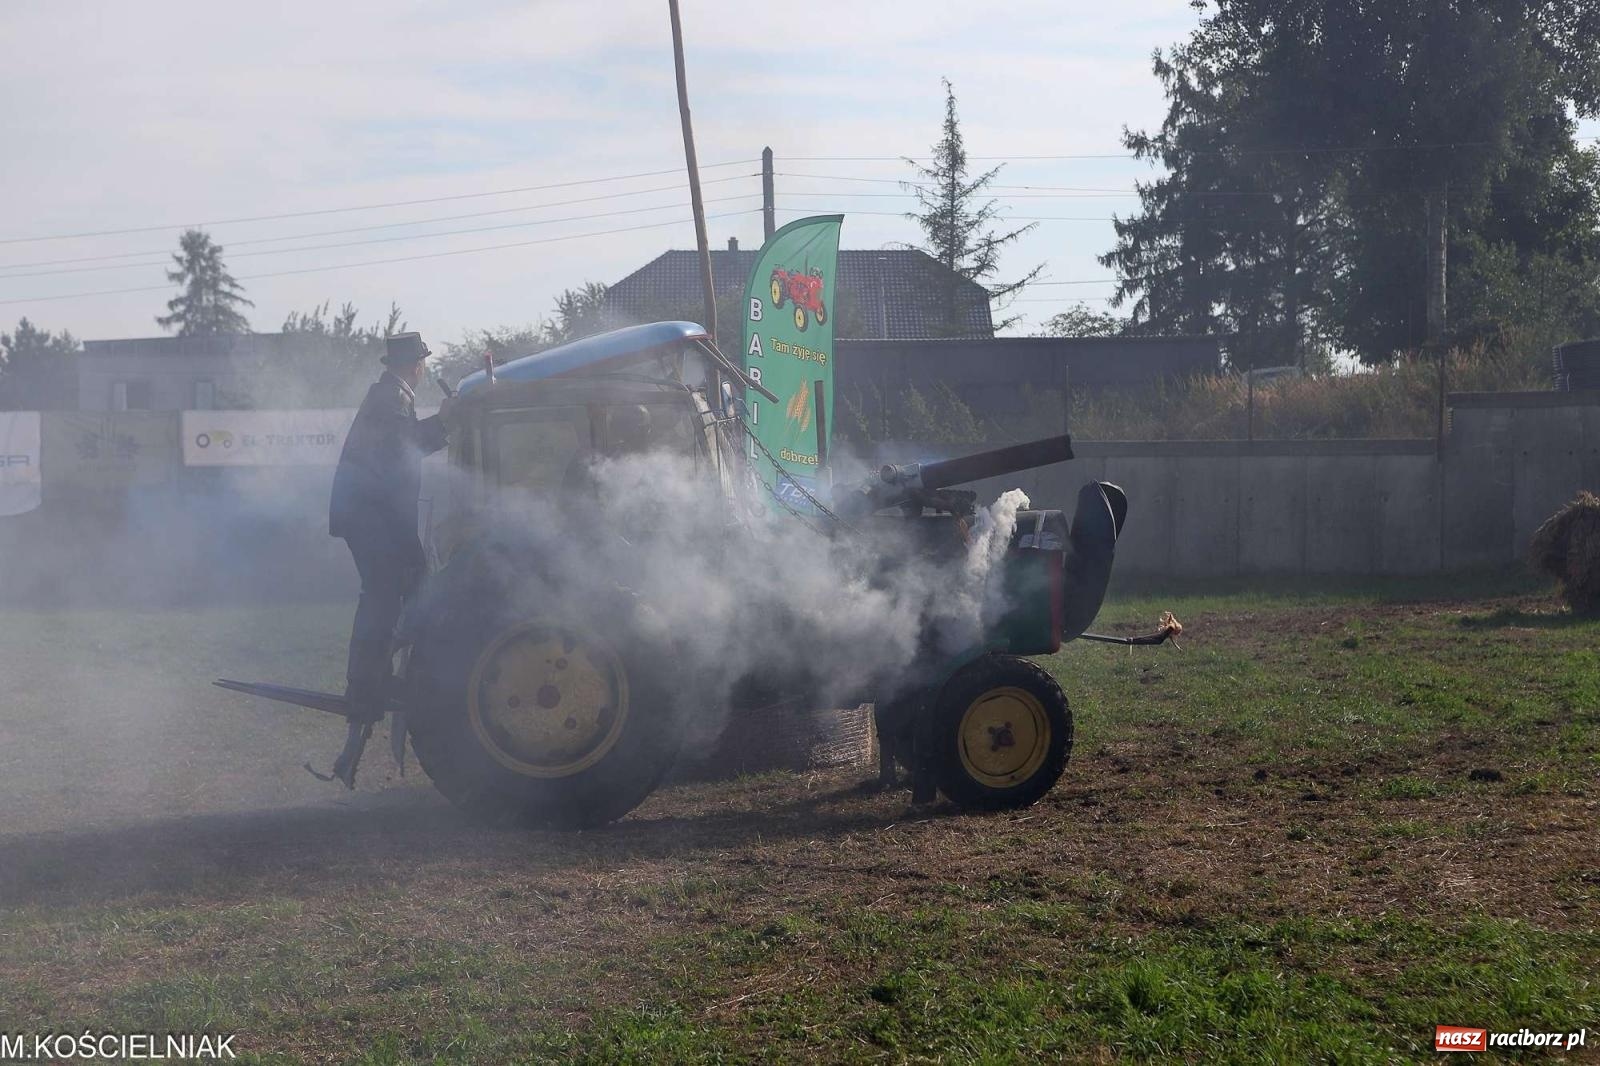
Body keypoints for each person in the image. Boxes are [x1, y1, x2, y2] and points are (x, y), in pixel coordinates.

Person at [323, 332, 450, 785]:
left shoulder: (389, 394)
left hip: (373, 514)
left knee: (408, 587)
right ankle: (368, 685)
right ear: (416, 366)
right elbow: (405, 445)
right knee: (383, 594)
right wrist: (448, 421)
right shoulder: (391, 397)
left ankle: (390, 674)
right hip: (371, 516)